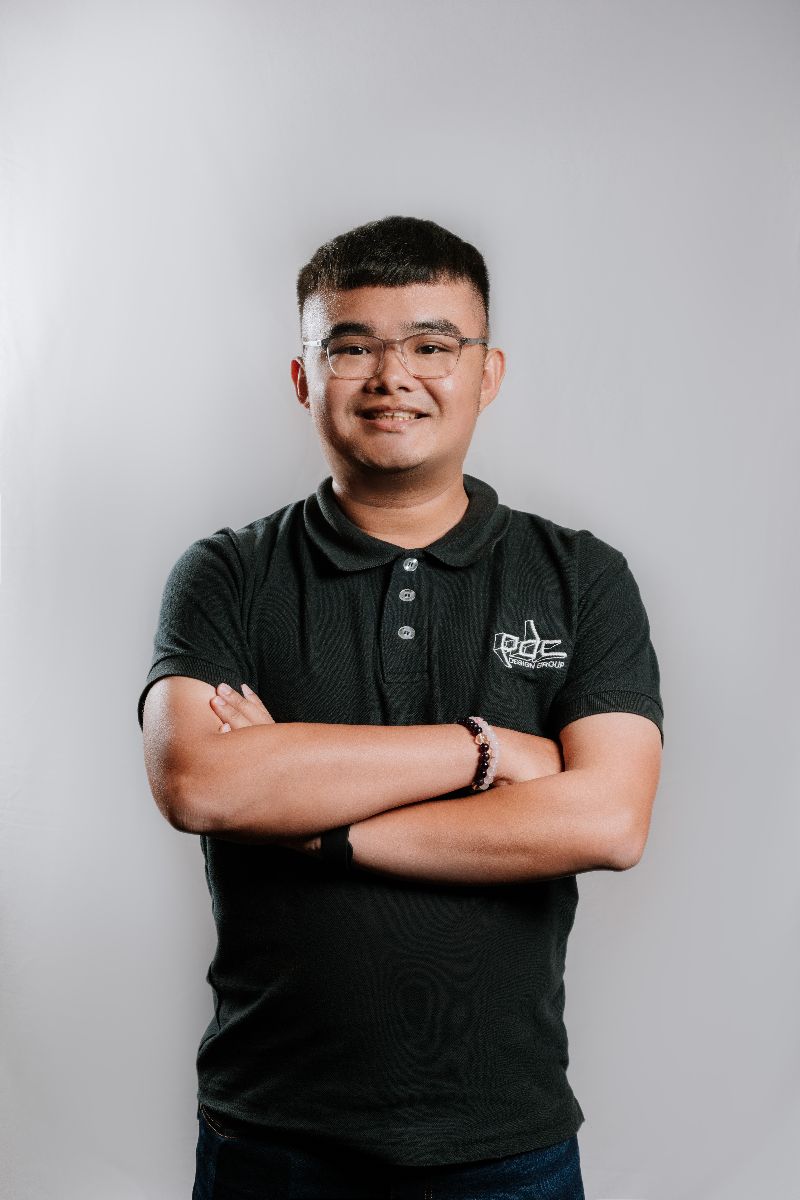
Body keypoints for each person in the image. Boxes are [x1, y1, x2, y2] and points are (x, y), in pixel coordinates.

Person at [138, 215, 664, 1200]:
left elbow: (606, 819)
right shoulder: (226, 574)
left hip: (506, 1144)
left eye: (430, 345)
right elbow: (200, 782)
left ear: (485, 373)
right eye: (351, 348)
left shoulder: (580, 576)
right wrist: (485, 750)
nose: (392, 377)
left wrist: (308, 821)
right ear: (303, 379)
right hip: (271, 1137)